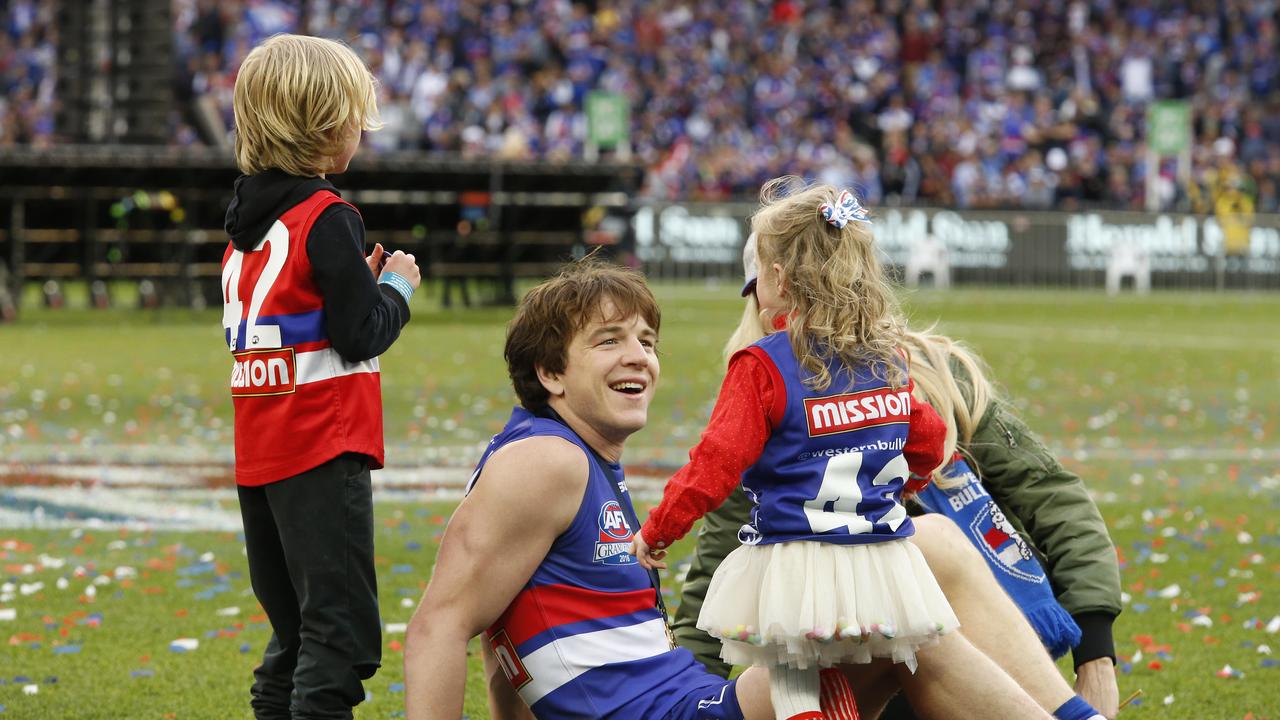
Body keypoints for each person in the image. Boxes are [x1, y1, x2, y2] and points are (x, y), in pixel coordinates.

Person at [403, 259, 1051, 720]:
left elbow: (505, 648)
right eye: (609, 341)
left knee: (904, 639)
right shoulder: (548, 461)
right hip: (683, 709)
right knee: (905, 632)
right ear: (550, 373)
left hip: (690, 700)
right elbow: (441, 623)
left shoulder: (576, 461)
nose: (639, 356)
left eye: (647, 341)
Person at [673, 235, 1121, 720]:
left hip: (990, 644)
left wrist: (1096, 649)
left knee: (928, 548)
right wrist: (691, 700)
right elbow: (715, 572)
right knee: (917, 555)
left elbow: (1053, 497)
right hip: (866, 660)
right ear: (766, 297)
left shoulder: (937, 376)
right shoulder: (765, 399)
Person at [631, 181, 962, 720]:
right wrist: (904, 485)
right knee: (835, 669)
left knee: (790, 667)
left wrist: (658, 529)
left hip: (795, 556)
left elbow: (715, 464)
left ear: (779, 279)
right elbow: (926, 441)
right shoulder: (888, 361)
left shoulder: (764, 364)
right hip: (878, 559)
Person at [221, 33, 421, 720]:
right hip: (321, 448)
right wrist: (395, 288)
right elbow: (360, 333)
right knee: (342, 641)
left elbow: (307, 314)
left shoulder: (245, 229)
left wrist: (356, 292)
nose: (360, 134)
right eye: (354, 120)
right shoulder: (328, 213)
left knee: (297, 634)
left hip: (262, 458)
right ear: (327, 124)